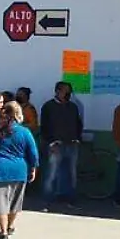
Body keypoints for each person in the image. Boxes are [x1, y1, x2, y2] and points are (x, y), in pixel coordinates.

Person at [0, 102, 39, 239]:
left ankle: (3, 232)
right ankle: (9, 226)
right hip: (19, 169)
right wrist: (33, 167)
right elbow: (33, 152)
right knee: (15, 202)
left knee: (1, 202)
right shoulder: (24, 131)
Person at [38, 81, 85, 209]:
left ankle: (69, 199)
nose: (68, 94)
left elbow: (78, 123)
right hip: (56, 145)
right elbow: (44, 127)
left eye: (69, 91)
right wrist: (50, 142)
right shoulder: (48, 106)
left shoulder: (73, 107)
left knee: (71, 173)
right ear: (58, 91)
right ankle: (47, 201)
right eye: (66, 91)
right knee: (51, 174)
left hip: (72, 144)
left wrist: (77, 138)